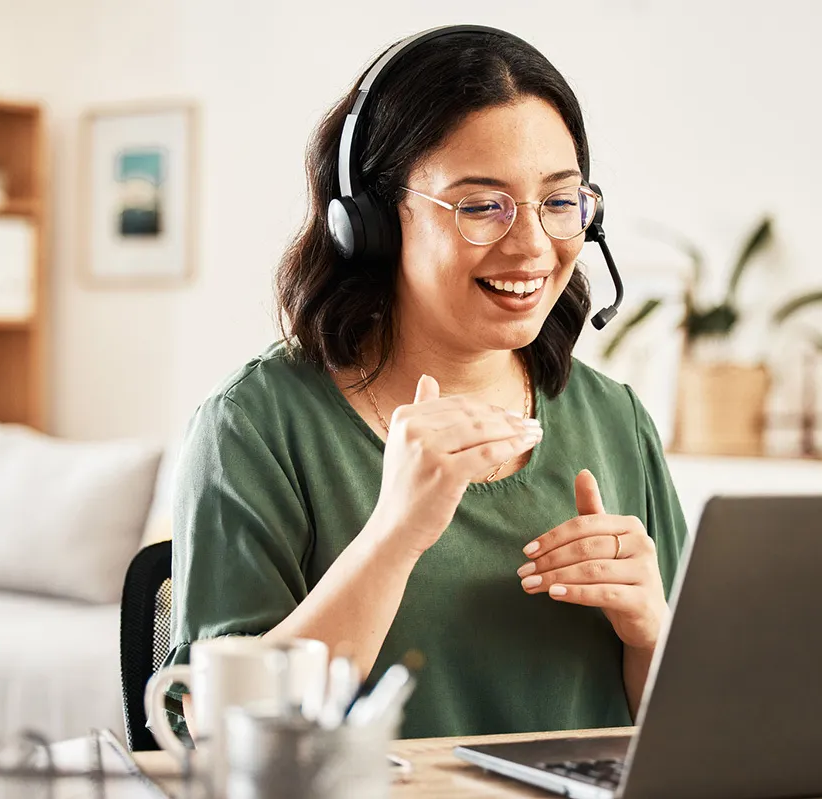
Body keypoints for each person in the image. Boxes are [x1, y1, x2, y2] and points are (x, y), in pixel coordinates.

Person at [163, 25, 689, 740]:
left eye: (559, 201)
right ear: (373, 222)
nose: (533, 244)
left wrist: (651, 631)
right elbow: (217, 734)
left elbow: (698, 733)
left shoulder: (616, 418)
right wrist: (394, 535)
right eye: (481, 205)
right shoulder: (254, 425)